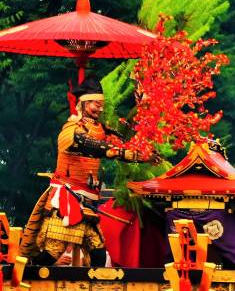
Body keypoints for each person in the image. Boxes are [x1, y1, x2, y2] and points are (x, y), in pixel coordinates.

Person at [19, 78, 156, 266]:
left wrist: (142, 109)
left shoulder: (101, 129)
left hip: (88, 202)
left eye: (102, 105)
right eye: (95, 105)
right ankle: (25, 274)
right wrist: (129, 153)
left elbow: (125, 140)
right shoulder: (71, 130)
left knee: (98, 251)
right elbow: (96, 147)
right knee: (53, 250)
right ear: (83, 103)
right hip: (67, 199)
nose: (99, 109)